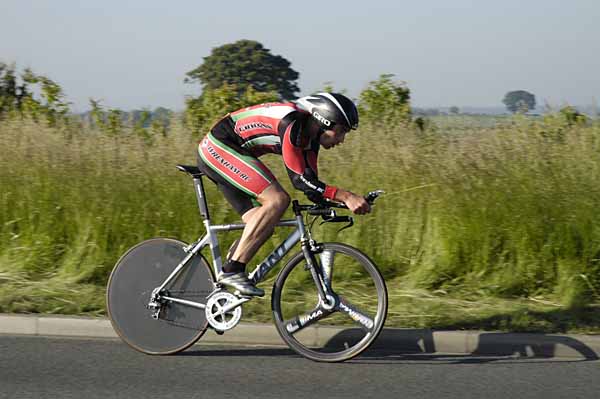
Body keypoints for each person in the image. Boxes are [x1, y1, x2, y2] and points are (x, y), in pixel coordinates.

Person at [196, 92, 370, 296]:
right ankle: (232, 270)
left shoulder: (310, 137)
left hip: (233, 152)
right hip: (219, 146)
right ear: (323, 120)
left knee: (264, 223)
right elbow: (299, 180)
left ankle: (223, 289)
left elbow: (311, 185)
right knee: (278, 200)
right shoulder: (292, 123)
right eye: (340, 131)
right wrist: (346, 196)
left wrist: (339, 203)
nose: (341, 139)